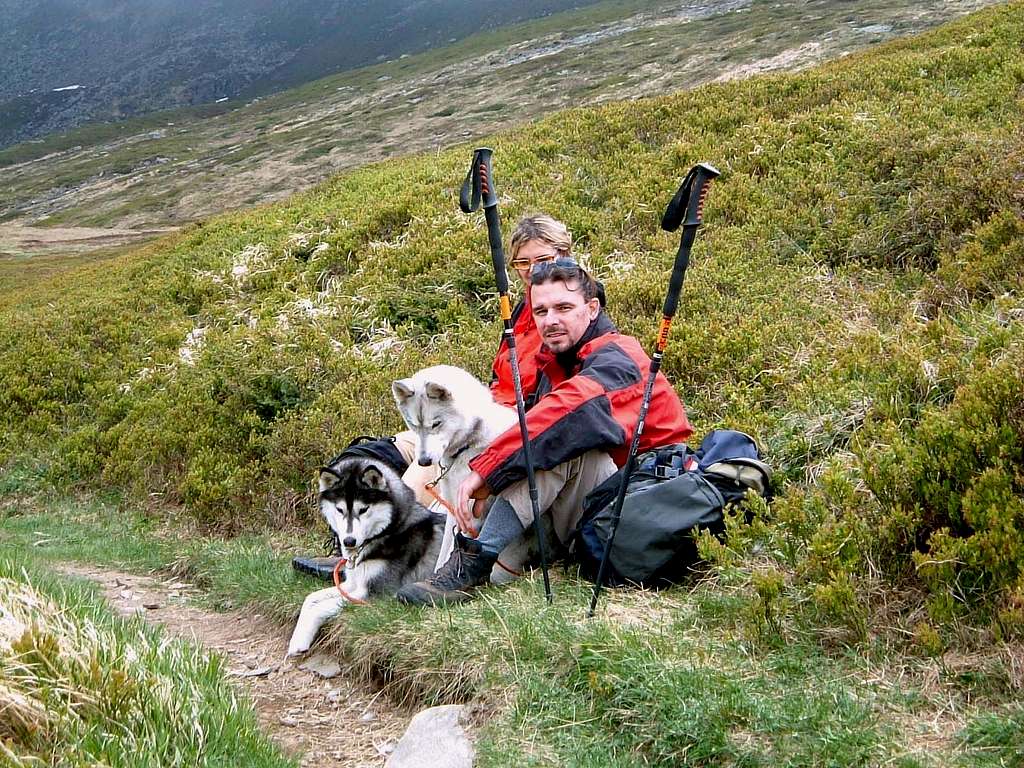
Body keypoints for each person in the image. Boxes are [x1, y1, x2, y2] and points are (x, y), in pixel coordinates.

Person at [292, 214, 578, 580]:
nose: (531, 270)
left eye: (543, 260)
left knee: (427, 458)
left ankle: (390, 558)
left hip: (503, 425)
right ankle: (359, 550)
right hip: (481, 412)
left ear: (564, 255)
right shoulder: (523, 310)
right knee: (383, 453)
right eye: (523, 262)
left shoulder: (564, 313)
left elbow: (557, 398)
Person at [396, 259, 693, 605]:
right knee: (536, 443)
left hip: (639, 507)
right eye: (541, 311)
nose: (550, 320)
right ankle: (444, 559)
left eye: (564, 307)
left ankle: (473, 561)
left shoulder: (620, 358)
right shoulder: (556, 363)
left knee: (563, 440)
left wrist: (487, 469)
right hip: (596, 508)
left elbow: (570, 410)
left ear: (592, 308)